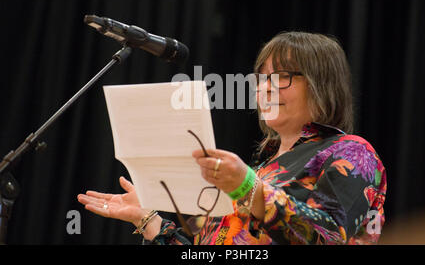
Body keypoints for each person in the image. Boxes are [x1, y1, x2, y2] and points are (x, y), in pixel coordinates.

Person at [77, 31, 386, 245]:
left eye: (281, 77)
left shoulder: (351, 152)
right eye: (261, 77)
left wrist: (248, 188)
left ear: (322, 84)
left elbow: (328, 236)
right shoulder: (262, 167)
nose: (265, 88)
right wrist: (148, 219)